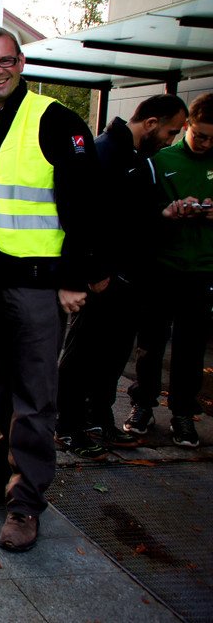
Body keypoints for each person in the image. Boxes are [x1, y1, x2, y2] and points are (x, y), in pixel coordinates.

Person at [0, 26, 101, 552]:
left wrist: (75, 278)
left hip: (37, 285)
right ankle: (0, 469)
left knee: (35, 397)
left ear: (21, 63)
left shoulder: (54, 118)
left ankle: (25, 501)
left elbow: (85, 202)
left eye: (5, 61)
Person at [56, 95, 187, 460]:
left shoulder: (137, 158)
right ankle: (66, 426)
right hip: (104, 277)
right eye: (171, 131)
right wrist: (93, 272)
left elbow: (129, 216)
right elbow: (83, 216)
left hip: (131, 278)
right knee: (82, 355)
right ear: (150, 123)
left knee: (112, 356)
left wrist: (164, 213)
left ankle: (98, 420)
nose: (171, 139)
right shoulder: (102, 152)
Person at [126, 93, 213, 448]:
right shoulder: (161, 159)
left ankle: (182, 413)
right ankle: (142, 406)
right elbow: (141, 208)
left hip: (203, 269)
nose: (207, 143)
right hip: (161, 266)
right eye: (201, 135)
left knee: (192, 347)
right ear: (188, 126)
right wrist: (171, 209)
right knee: (151, 343)